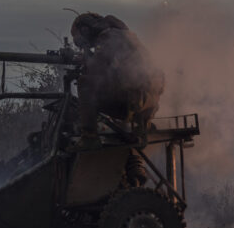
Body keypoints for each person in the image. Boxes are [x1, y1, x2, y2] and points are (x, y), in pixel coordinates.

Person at [70, 12, 164, 150]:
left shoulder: (107, 38)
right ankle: (143, 125)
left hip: (131, 103)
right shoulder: (129, 36)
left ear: (86, 30)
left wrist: (87, 63)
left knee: (85, 83)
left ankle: (89, 137)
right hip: (148, 105)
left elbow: (97, 72)